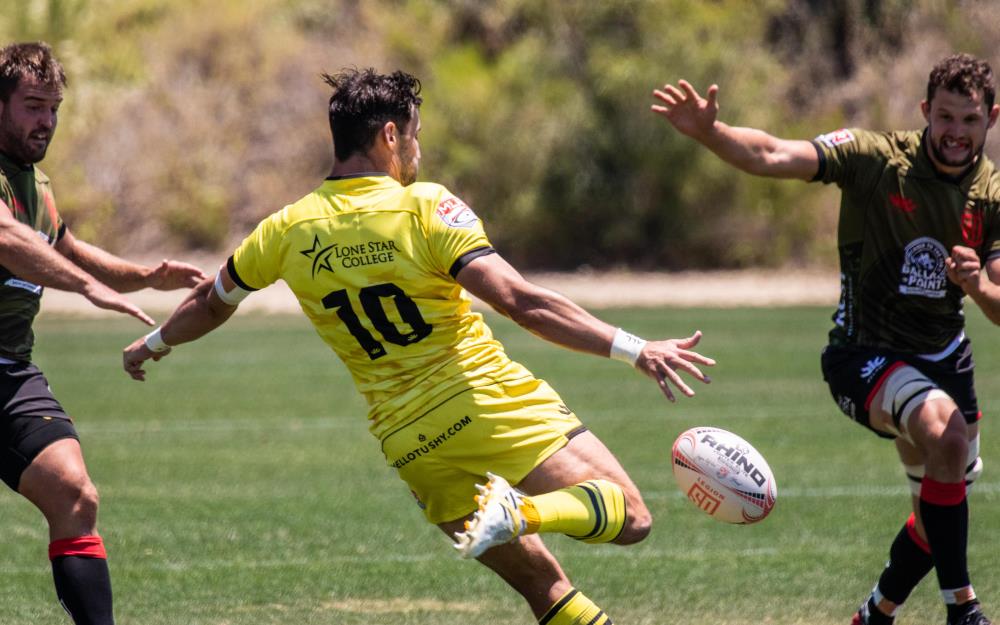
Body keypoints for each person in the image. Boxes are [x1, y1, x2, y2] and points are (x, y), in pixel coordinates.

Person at [121, 67, 714, 624]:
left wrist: (153, 342)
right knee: (629, 514)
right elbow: (519, 301)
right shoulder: (425, 206)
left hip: (410, 443)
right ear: (389, 135)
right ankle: (523, 511)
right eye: (415, 135)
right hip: (482, 399)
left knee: (546, 588)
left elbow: (210, 301)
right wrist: (634, 348)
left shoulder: (284, 229)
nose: (418, 151)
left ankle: (513, 516)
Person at [652, 53, 998, 625]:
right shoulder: (875, 159)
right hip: (864, 354)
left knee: (937, 513)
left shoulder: (992, 195)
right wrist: (712, 132)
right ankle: (964, 610)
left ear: (991, 118)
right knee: (948, 434)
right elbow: (772, 154)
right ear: (924, 112)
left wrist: (976, 285)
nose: (955, 133)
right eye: (944, 117)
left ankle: (874, 614)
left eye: (969, 119)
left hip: (946, 360)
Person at [0, 42, 206, 625]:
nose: (46, 121)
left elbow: (66, 249)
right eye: (33, 106)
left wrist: (145, 276)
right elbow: (8, 239)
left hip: (9, 369)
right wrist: (88, 290)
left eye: (54, 108)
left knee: (74, 494)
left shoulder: (34, 184)